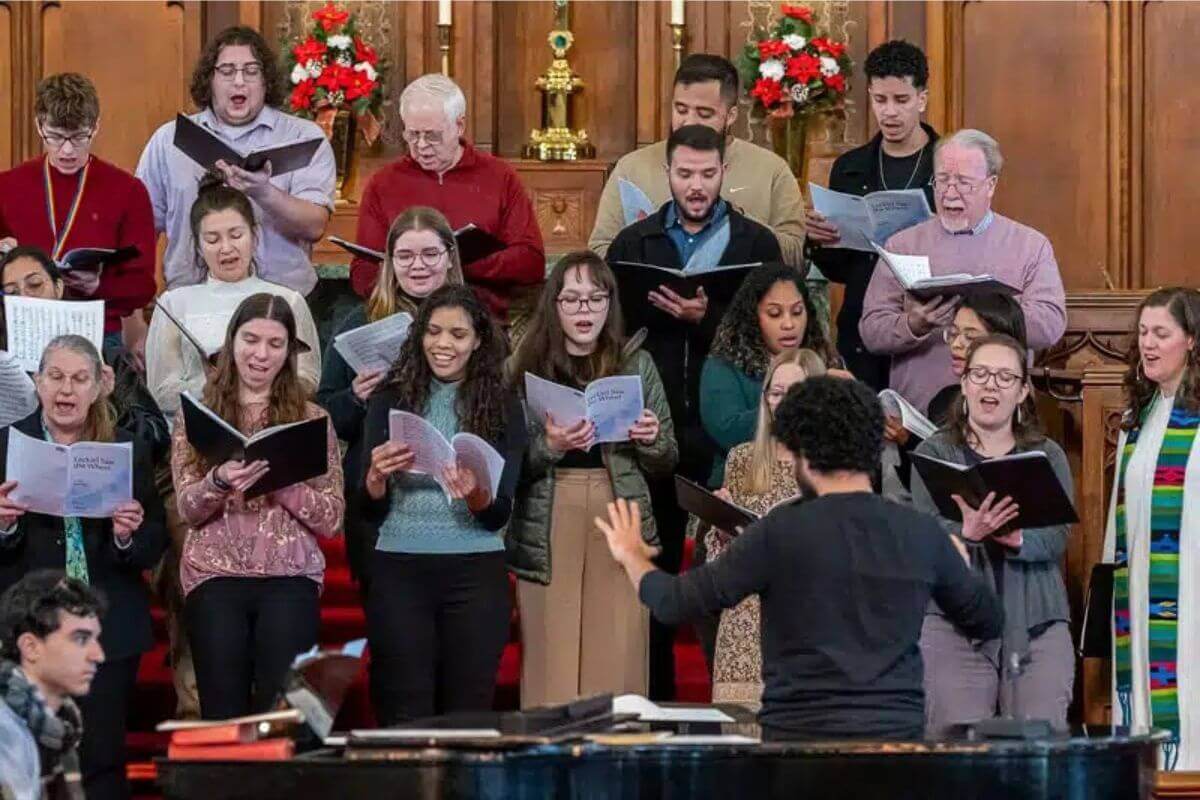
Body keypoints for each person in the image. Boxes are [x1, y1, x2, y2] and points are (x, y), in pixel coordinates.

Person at [595, 375, 1002, 740]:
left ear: (802, 453)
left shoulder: (778, 532)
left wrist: (633, 557)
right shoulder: (921, 533)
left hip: (796, 747)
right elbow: (986, 620)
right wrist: (960, 563)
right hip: (893, 748)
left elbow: (674, 601)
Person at [606, 122, 782, 698]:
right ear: (668, 174)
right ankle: (654, 697)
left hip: (725, 435)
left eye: (707, 174)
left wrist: (704, 319)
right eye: (684, 174)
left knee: (722, 576)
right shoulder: (635, 244)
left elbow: (772, 341)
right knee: (653, 569)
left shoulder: (757, 244)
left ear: (724, 172)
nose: (696, 185)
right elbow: (611, 331)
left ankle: (723, 698)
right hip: (652, 429)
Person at [506, 252, 677, 707]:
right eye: (572, 300)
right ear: (554, 306)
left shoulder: (636, 363)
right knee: (551, 655)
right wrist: (551, 446)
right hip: (550, 507)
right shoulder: (525, 364)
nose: (584, 311)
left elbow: (666, 461)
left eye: (595, 299)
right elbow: (508, 464)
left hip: (617, 506)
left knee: (618, 648)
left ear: (609, 304)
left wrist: (650, 438)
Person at [0, 336, 167, 800]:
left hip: (106, 628)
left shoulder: (127, 448)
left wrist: (126, 534)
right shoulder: (5, 445)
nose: (66, 390)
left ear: (99, 386)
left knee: (102, 755)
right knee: (27, 759)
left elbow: (155, 542)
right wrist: (4, 527)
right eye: (55, 377)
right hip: (29, 630)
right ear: (37, 383)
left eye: (79, 379)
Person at [170, 294, 343, 720]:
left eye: (274, 343)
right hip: (214, 575)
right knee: (223, 711)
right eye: (251, 339)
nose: (261, 354)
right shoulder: (197, 414)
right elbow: (188, 509)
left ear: (288, 353)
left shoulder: (311, 418)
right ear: (231, 343)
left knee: (281, 713)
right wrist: (218, 480)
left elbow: (333, 518)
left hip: (289, 575)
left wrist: (283, 485)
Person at [358, 285, 526, 724]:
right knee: (402, 706)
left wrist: (475, 493)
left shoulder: (503, 405)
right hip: (398, 566)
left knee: (467, 712)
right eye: (433, 332)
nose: (443, 344)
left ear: (478, 341)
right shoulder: (389, 398)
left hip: (474, 571)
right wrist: (376, 477)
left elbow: (499, 513)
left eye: (457, 334)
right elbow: (367, 508)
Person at [910, 334, 1074, 735]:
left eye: (1004, 377)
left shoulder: (1047, 454)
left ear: (1022, 392)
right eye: (980, 374)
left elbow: (1058, 534)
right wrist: (965, 532)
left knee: (1039, 754)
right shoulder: (936, 452)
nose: (990, 385)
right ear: (964, 384)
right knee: (958, 758)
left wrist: (1018, 540)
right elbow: (920, 534)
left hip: (1037, 623)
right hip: (954, 624)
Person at [859, 128, 1067, 413]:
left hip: (1002, 417)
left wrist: (988, 322)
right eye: (942, 180)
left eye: (964, 182)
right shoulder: (902, 244)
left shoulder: (1030, 246)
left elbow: (1050, 324)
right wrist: (914, 324)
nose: (950, 192)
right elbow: (871, 329)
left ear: (990, 185)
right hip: (918, 418)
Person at [317, 206, 465, 588]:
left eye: (430, 254)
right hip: (376, 491)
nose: (418, 266)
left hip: (453, 491)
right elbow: (326, 413)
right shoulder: (361, 321)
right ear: (390, 262)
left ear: (449, 257)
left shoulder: (474, 322)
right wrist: (355, 395)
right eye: (405, 256)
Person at [136, 26, 335, 295]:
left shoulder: (302, 137)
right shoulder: (168, 140)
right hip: (192, 299)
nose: (239, 81)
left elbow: (315, 226)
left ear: (266, 81)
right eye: (227, 71)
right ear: (210, 79)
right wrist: (135, 310)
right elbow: (140, 228)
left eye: (251, 71)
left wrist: (263, 192)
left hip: (280, 302)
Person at [349, 74, 545, 325]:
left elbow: (531, 263)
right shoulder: (383, 183)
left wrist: (449, 264)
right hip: (406, 320)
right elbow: (362, 273)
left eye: (432, 136)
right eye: (412, 135)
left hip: (484, 322)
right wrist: (413, 270)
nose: (421, 145)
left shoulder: (499, 176)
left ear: (459, 126)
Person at [1104, 287, 1200, 770]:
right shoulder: (1134, 420)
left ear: (1192, 342)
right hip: (1141, 597)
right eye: (1143, 332)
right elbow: (1117, 523)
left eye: (1161, 333)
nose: (1148, 343)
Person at [805, 41, 938, 390]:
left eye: (901, 100)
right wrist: (821, 241)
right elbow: (839, 270)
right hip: (863, 322)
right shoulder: (850, 168)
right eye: (880, 100)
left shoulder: (946, 164)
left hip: (927, 322)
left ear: (921, 99)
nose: (889, 113)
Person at [589, 53, 805, 265]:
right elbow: (599, 253)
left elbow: (795, 257)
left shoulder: (772, 169)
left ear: (730, 116)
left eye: (704, 114)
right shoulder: (632, 168)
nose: (688, 122)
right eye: (681, 110)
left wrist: (735, 219)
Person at [0, 73, 156, 351]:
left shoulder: (129, 190)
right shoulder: (7, 186)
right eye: (56, 137)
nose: (68, 150)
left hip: (96, 332)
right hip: (22, 330)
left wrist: (98, 285)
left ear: (95, 127)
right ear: (39, 126)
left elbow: (143, 287)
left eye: (79, 137)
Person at [146, 179, 321, 421]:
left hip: (273, 426)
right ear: (197, 246)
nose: (226, 248)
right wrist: (221, 391)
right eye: (213, 240)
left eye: (236, 235)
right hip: (195, 434)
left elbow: (307, 380)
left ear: (254, 235)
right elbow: (162, 391)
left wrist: (257, 391)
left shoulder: (287, 300)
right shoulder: (174, 304)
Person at [705, 348, 821, 708]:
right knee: (740, 751)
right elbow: (716, 566)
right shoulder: (742, 459)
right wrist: (721, 530)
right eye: (776, 392)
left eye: (795, 392)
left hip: (806, 624)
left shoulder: (834, 466)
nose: (783, 403)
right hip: (743, 624)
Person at [0, 246, 170, 464]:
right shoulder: (5, 364)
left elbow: (157, 439)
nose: (25, 298)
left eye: (34, 285)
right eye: (12, 293)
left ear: (58, 287)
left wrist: (108, 399)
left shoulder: (103, 355)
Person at [700, 262, 839, 487]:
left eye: (797, 312)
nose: (789, 324)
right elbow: (728, 431)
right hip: (747, 484)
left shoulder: (825, 359)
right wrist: (796, 398)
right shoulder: (724, 364)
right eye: (774, 314)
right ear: (753, 317)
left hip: (818, 484)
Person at [0, 571, 107, 800]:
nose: (98, 655)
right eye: (80, 639)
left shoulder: (61, 725)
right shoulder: (6, 733)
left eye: (96, 639)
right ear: (30, 647)